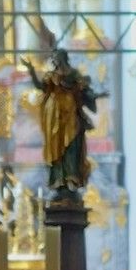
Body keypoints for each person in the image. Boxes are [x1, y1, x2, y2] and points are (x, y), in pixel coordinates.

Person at [23, 48, 105, 201]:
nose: (54, 60)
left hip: (71, 115)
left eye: (56, 57)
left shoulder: (73, 74)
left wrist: (96, 95)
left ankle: (71, 179)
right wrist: (31, 70)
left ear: (62, 58)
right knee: (56, 149)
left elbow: (85, 91)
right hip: (54, 117)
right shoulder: (51, 76)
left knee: (72, 146)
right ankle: (59, 180)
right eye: (53, 58)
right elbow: (40, 87)